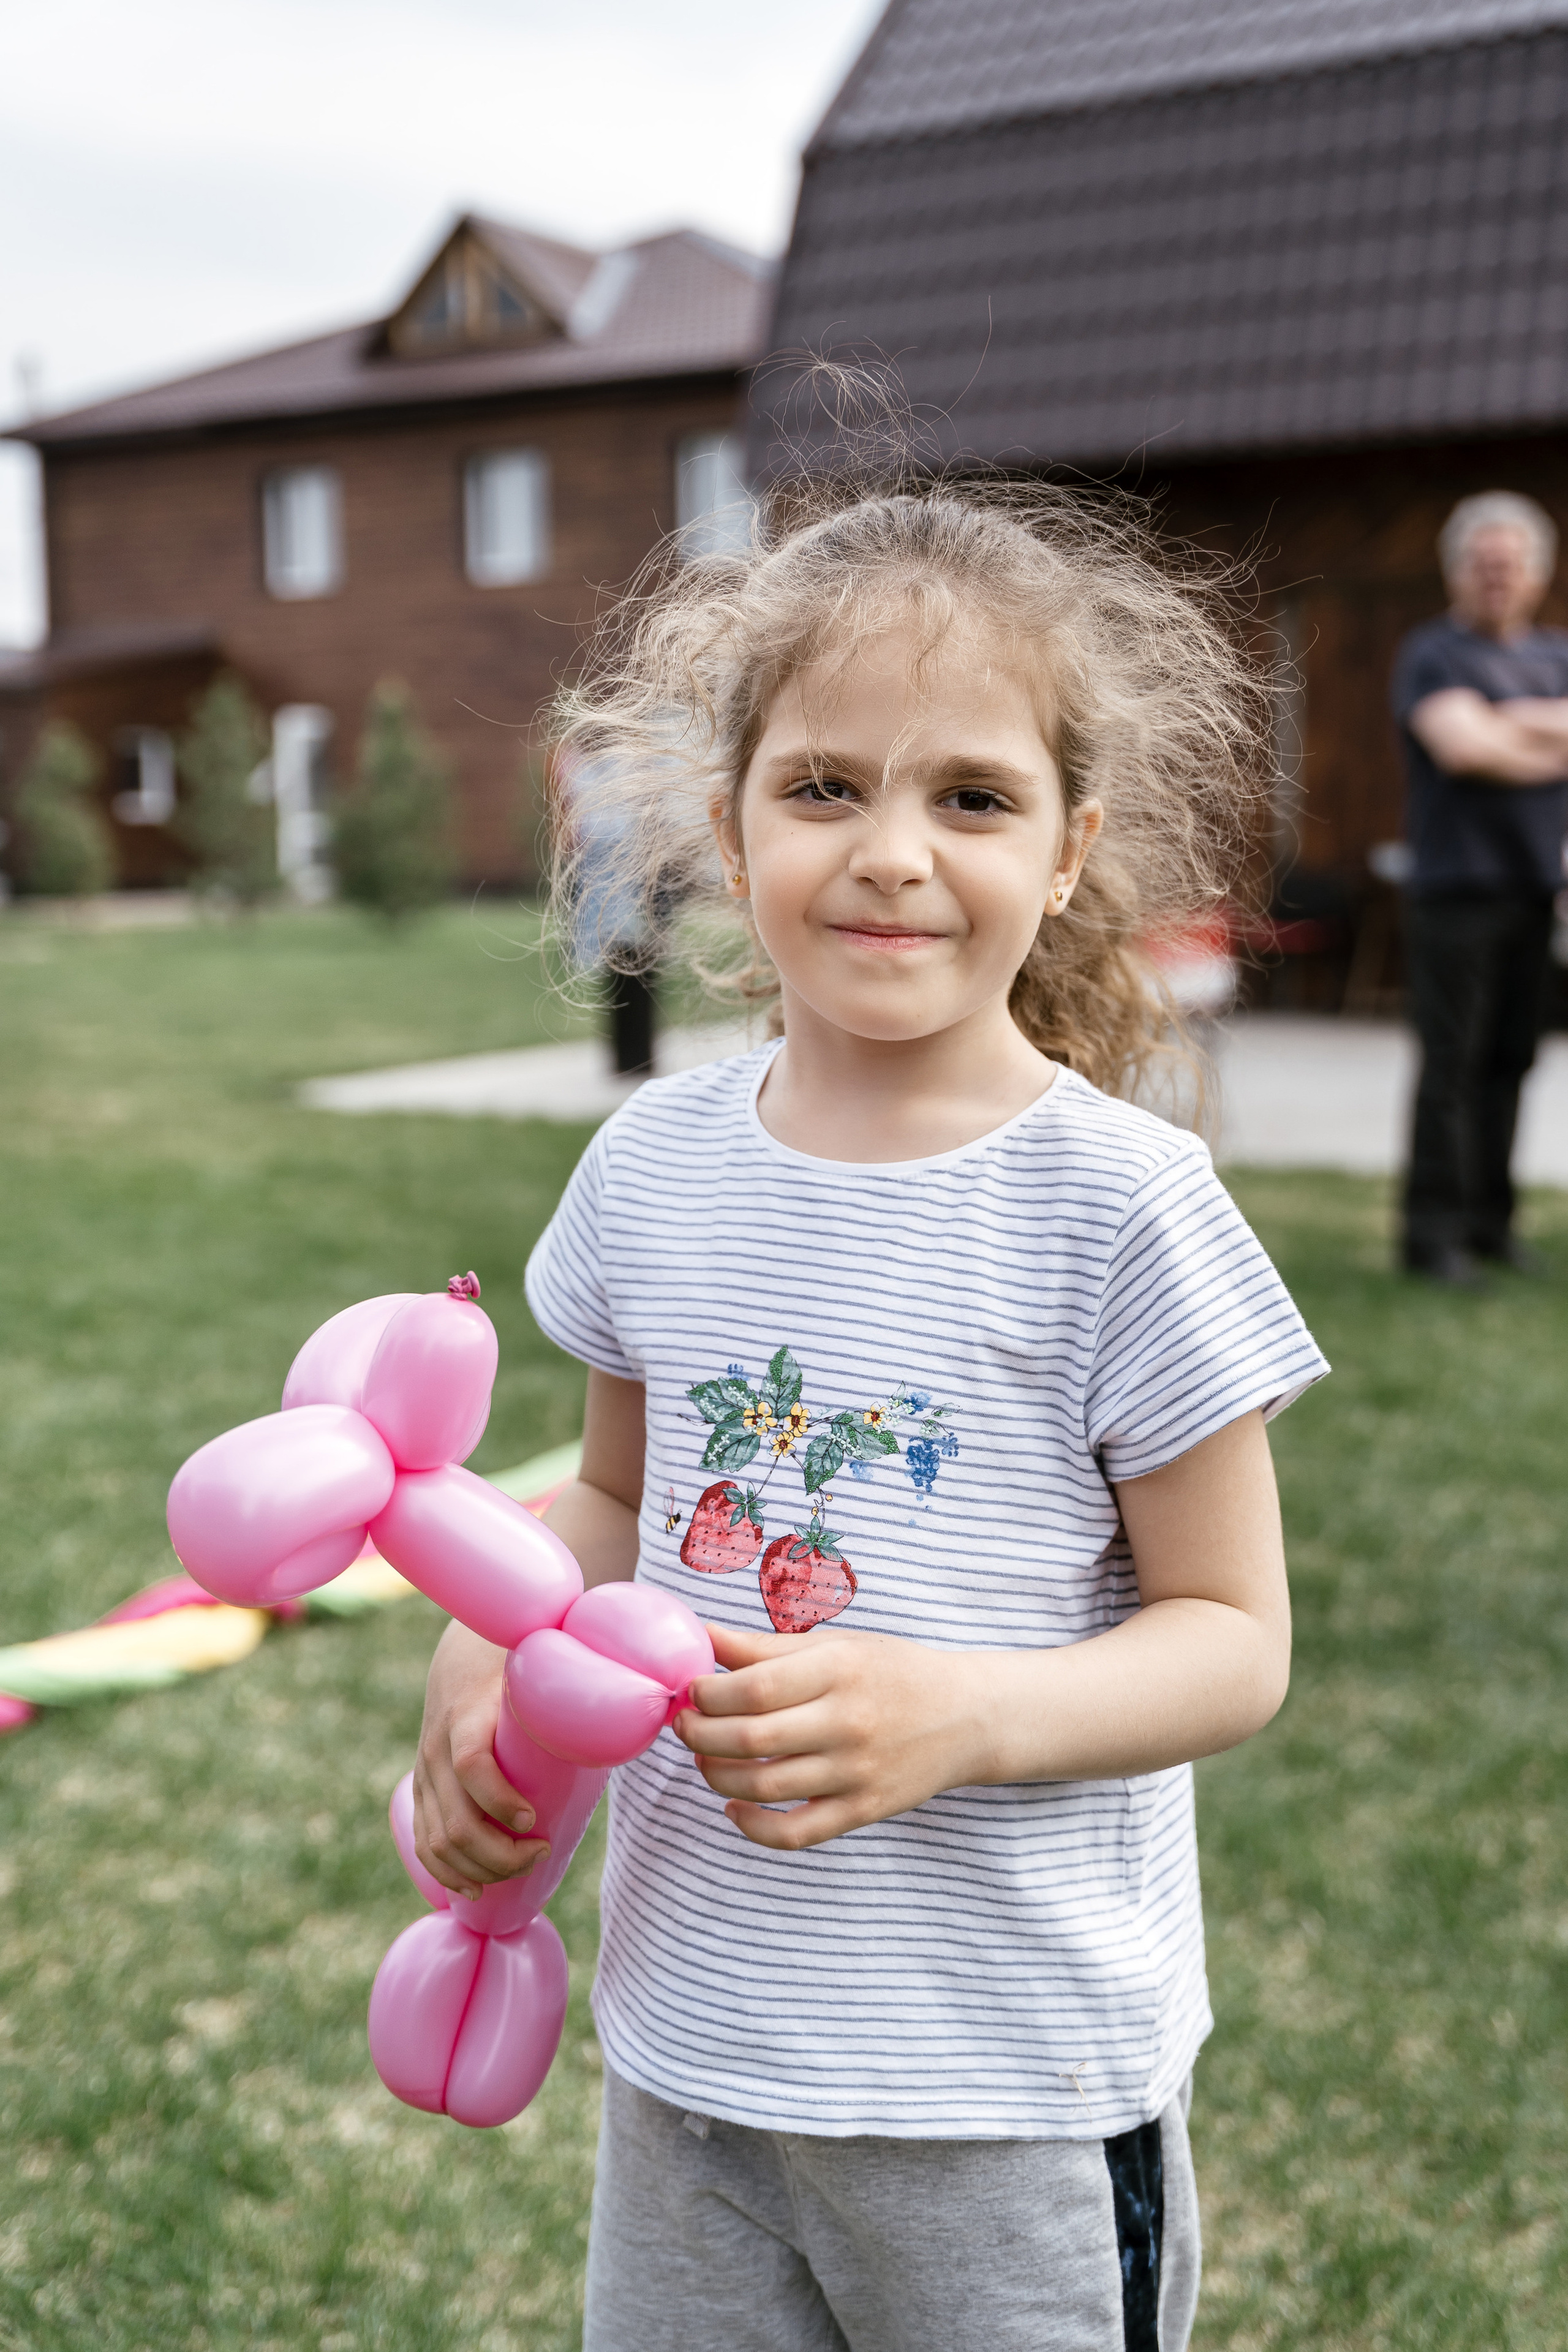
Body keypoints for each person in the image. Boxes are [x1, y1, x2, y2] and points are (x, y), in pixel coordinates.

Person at [413, 480, 1329, 2352]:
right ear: (728, 824)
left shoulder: (1121, 1208)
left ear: (1068, 852)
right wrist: (484, 1633)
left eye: (972, 798)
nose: (893, 854)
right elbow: (612, 1500)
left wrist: (961, 1714)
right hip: (695, 2055)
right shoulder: (655, 1166)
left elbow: (1235, 1640)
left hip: (1009, 2091)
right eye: (826, 786)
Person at [1392, 491, 1568, 1284]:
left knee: (1510, 1061)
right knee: (1452, 1067)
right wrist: (1544, 734)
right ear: (1455, 571)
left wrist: (1505, 720)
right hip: (1455, 892)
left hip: (1535, 891)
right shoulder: (1433, 653)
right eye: (1483, 564)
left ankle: (1491, 1226)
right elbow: (1464, 750)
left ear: (1539, 574)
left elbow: (1488, 735)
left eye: (1511, 564)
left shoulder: (1556, 654)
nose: (1498, 577)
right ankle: (1432, 1236)